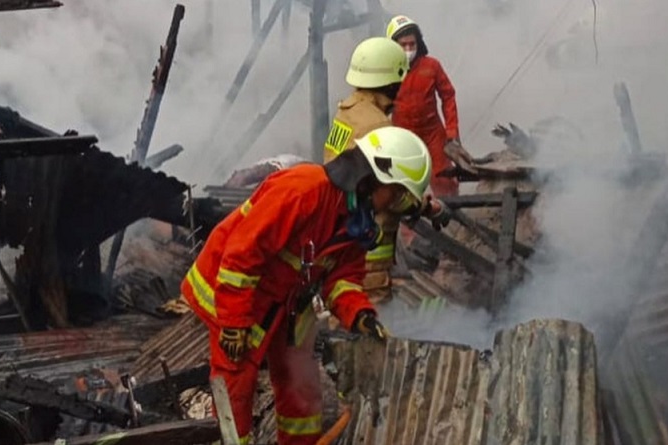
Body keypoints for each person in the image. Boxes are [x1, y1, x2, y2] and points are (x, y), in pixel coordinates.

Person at [181, 126, 433, 445]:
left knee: (302, 388)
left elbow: (342, 280)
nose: (395, 205)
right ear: (377, 176)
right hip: (238, 294)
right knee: (235, 390)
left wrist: (361, 316)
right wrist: (233, 323)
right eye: (397, 194)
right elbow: (242, 253)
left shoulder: (357, 219)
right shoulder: (304, 190)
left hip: (288, 301)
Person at [323, 36, 409, 304]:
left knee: (342, 297)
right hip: (369, 246)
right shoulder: (378, 127)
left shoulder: (347, 112)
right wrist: (423, 206)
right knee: (367, 310)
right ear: (391, 80)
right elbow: (390, 191)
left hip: (341, 230)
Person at [386, 14, 474, 197]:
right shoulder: (386, 71)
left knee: (444, 180)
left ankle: (452, 221)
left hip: (433, 134)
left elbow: (448, 95)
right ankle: (410, 226)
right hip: (404, 137)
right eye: (403, 45)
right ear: (393, 46)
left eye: (412, 44)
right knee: (404, 186)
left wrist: (452, 133)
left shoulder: (432, 66)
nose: (409, 49)